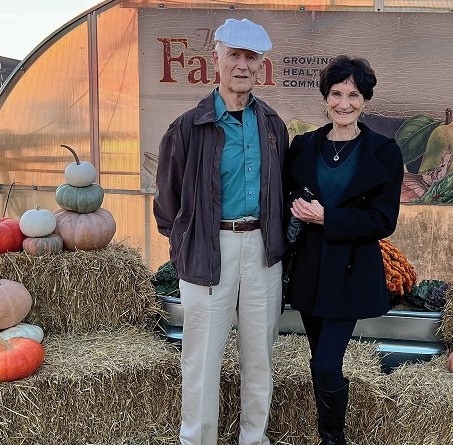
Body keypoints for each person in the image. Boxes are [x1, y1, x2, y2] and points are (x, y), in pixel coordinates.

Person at [153, 18, 288, 445]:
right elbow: (167, 202)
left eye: (252, 58)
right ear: (217, 58)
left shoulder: (271, 125)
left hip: (262, 249)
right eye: (235, 55)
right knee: (201, 359)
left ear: (261, 65)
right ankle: (197, 440)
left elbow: (282, 191)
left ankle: (254, 437)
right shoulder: (187, 127)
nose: (243, 65)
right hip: (209, 252)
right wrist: (184, 248)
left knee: (259, 357)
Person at [283, 56, 404, 445]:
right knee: (318, 360)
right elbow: (286, 195)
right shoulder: (303, 147)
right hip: (310, 269)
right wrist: (294, 209)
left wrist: (327, 218)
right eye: (336, 94)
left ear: (365, 100)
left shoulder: (383, 152)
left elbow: (383, 220)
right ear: (325, 98)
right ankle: (328, 433)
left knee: (325, 361)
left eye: (353, 95)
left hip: (350, 272)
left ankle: (333, 438)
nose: (344, 103)